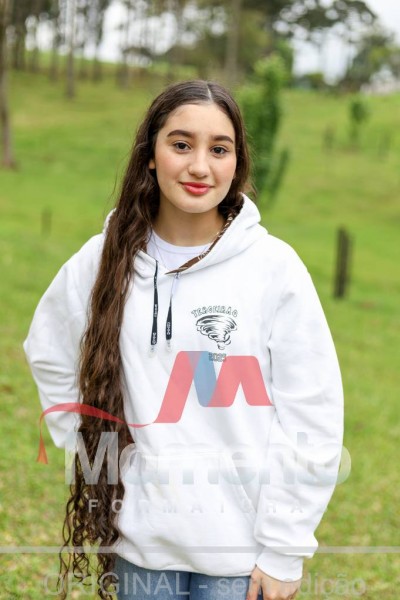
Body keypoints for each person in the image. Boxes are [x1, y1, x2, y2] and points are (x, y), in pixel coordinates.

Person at [24, 80, 344, 600]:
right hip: (141, 543)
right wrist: (90, 446)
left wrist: (285, 547)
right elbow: (49, 350)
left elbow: (313, 411)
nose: (200, 166)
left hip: (242, 551)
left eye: (219, 149)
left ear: (236, 163)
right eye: (181, 144)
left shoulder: (273, 268)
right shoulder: (104, 258)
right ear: (150, 155)